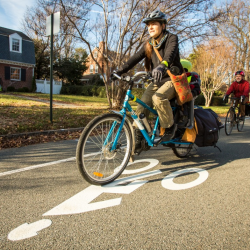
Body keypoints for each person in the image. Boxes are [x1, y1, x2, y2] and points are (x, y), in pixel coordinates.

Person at [111, 10, 183, 153]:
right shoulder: (149, 44)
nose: (150, 27)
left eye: (154, 24)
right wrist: (119, 71)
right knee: (141, 106)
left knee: (158, 97)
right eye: (148, 25)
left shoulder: (171, 38)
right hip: (157, 80)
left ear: (163, 25)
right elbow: (134, 58)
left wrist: (162, 66)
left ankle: (169, 127)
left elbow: (169, 55)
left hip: (172, 80)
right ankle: (140, 138)